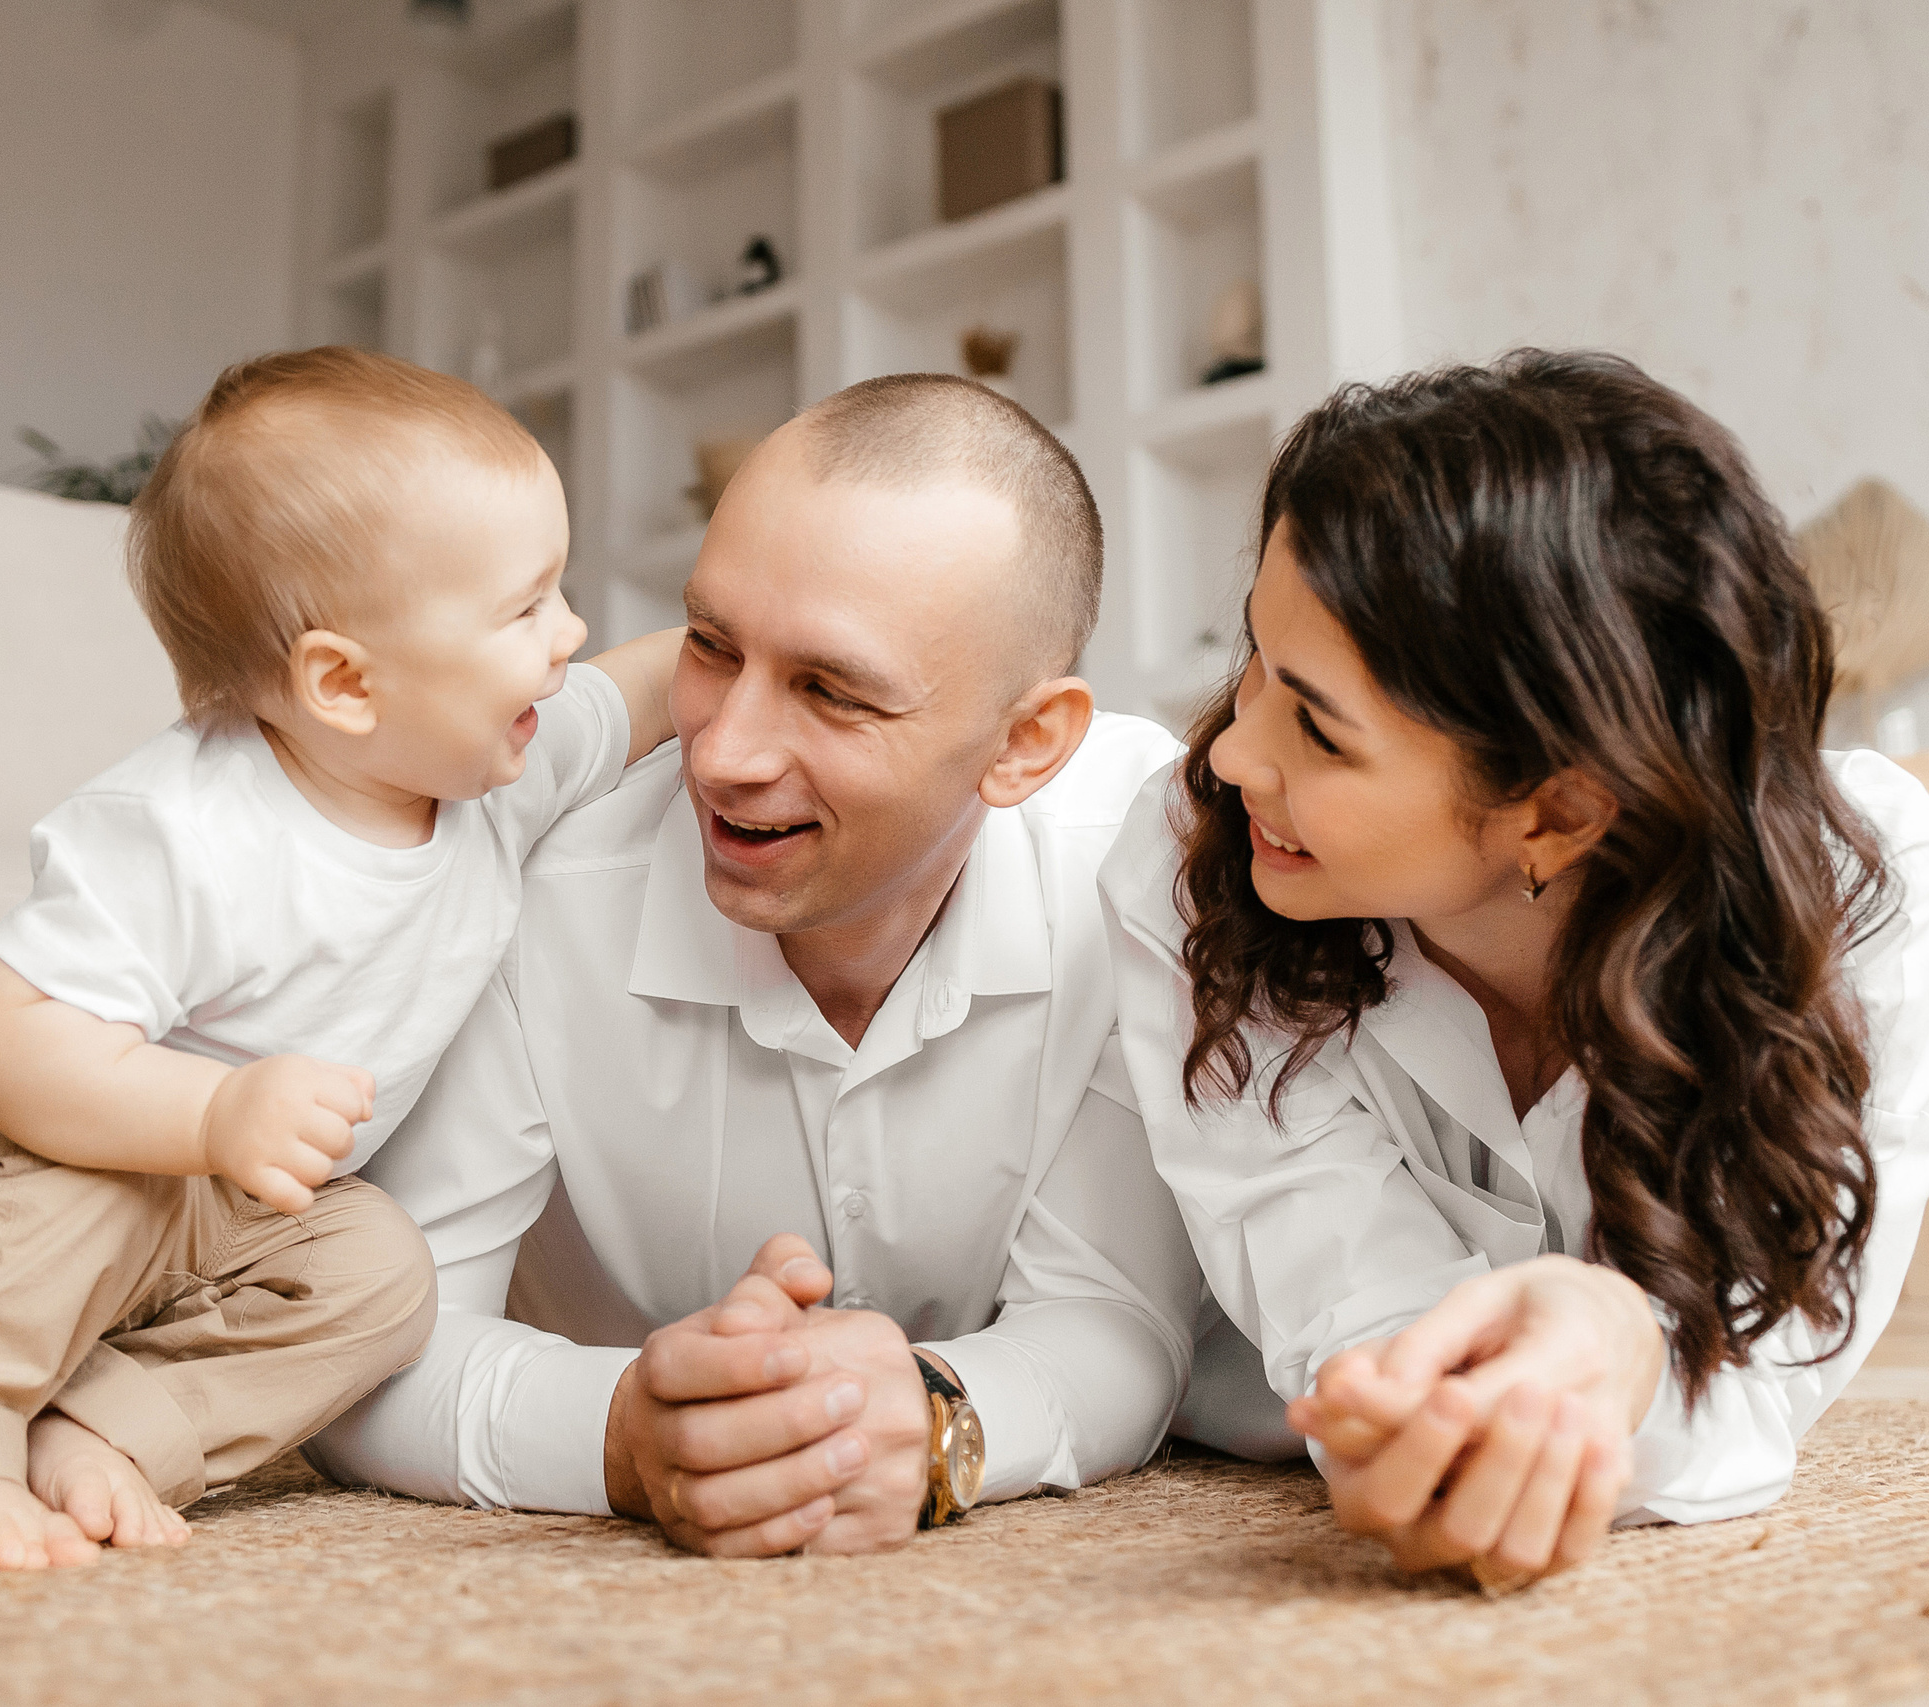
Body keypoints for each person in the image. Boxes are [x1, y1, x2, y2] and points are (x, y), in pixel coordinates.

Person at [313, 373, 1273, 1556]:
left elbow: (1113, 1316)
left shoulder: (1149, 864)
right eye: (711, 647)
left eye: (830, 689)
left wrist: (928, 1424)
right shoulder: (523, 879)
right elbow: (372, 1345)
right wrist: (618, 1434)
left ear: (1027, 743)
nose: (722, 752)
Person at [0, 347, 680, 1571]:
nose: (570, 634)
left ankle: (109, 1428)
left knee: (381, 1270)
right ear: (345, 683)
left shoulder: (489, 768)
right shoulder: (191, 829)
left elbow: (645, 687)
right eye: (525, 609)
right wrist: (211, 1112)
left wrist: (744, 646)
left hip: (227, 1203)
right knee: (115, 1176)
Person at [1101, 350, 1929, 1589]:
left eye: (1318, 728)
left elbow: (1763, 1382)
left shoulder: (1857, 895)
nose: (1233, 751)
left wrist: (1620, 1353)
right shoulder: (1193, 860)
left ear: (1557, 810)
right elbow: (1346, 1310)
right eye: (1254, 662)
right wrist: (1462, 1405)